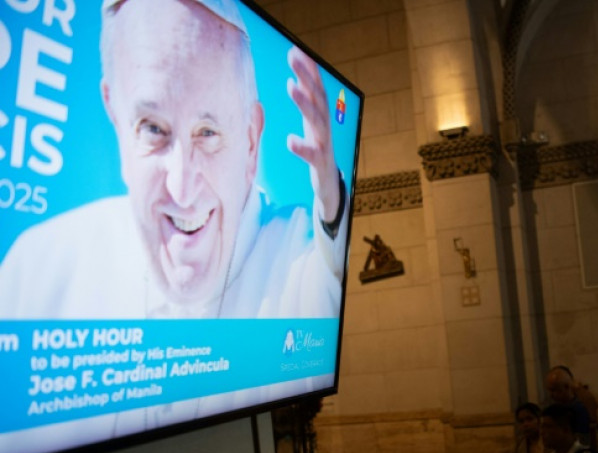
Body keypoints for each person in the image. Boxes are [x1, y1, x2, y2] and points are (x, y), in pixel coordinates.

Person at [0, 0, 349, 319]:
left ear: (251, 142)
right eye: (153, 128)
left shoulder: (300, 259)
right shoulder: (37, 274)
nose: (182, 192)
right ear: (115, 115)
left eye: (208, 132)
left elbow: (331, 272)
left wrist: (333, 207)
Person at [544, 367, 595, 444]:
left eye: (554, 390)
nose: (551, 395)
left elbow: (582, 441)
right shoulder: (556, 408)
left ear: (567, 387)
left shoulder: (578, 410)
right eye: (549, 390)